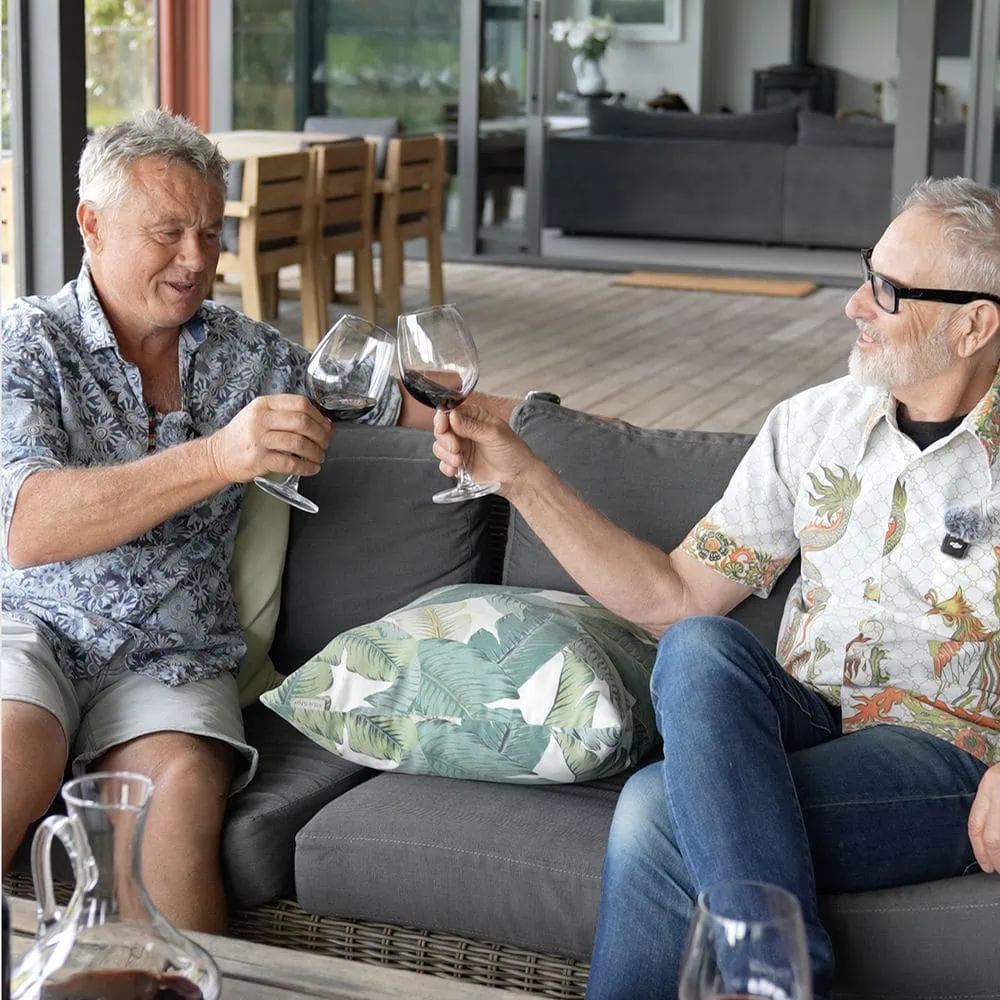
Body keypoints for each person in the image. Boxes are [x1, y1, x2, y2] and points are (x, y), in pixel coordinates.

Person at [432, 175, 1000, 1000]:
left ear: (974, 323)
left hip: (945, 755)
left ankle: (775, 979)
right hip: (802, 721)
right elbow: (677, 598)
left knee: (658, 813)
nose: (854, 305)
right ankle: (781, 979)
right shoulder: (814, 425)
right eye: (864, 272)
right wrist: (520, 477)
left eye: (887, 290)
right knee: (700, 647)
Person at [0, 109, 512, 933]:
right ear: (90, 224)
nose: (197, 259)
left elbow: (392, 395)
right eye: (168, 232)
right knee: (9, 760)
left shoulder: (248, 352)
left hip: (174, 658)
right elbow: (27, 524)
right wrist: (216, 458)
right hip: (32, 627)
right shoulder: (29, 342)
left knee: (170, 850)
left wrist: (539, 425)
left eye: (210, 230)